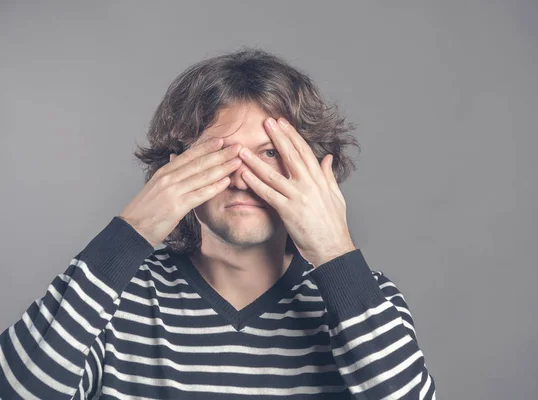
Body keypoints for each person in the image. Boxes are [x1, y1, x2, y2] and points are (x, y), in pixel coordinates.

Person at [0, 48, 436, 399]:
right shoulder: (111, 303)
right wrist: (131, 231)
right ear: (175, 167)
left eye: (269, 154)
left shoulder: (367, 300)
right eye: (220, 154)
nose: (244, 179)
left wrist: (335, 250)